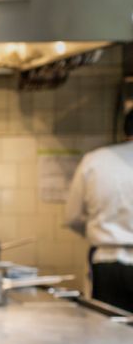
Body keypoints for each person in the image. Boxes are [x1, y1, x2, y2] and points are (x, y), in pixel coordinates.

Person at [65, 108, 133, 313]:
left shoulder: (95, 160)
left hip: (107, 261)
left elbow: (73, 217)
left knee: (109, 332)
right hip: (106, 258)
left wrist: (102, 232)